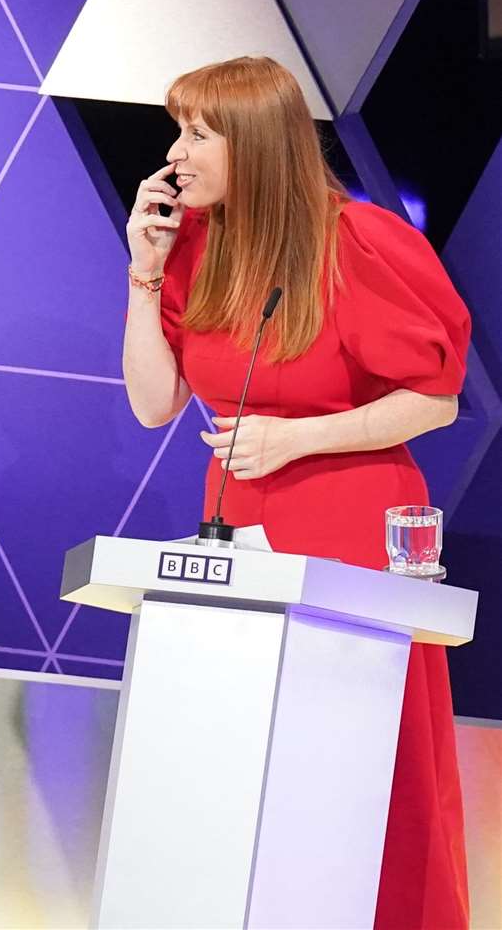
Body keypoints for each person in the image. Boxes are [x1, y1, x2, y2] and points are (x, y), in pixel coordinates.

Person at [122, 56, 470, 928]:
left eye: (199, 132)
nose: (177, 151)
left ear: (257, 144)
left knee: (354, 767)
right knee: (241, 765)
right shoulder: (194, 246)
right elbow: (153, 404)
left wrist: (297, 437)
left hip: (351, 522)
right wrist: (144, 272)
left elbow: (436, 398)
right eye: (181, 130)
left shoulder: (361, 241)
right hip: (237, 529)